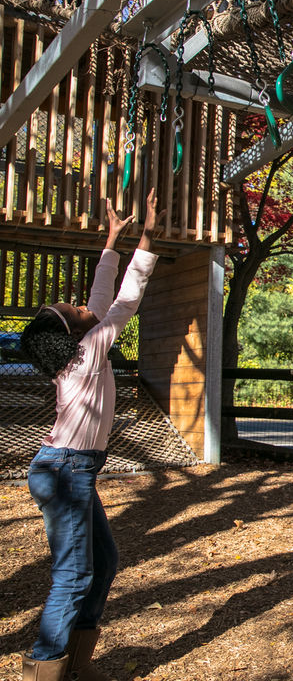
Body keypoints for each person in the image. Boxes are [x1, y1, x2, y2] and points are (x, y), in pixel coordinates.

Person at [20, 190, 163, 680]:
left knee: (102, 565)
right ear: (73, 329)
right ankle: (44, 668)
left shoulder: (80, 349)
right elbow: (124, 301)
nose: (84, 305)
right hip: (66, 469)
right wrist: (146, 236)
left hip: (67, 467)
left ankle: (74, 665)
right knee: (75, 574)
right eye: (74, 307)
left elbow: (103, 297)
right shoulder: (88, 352)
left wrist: (111, 241)